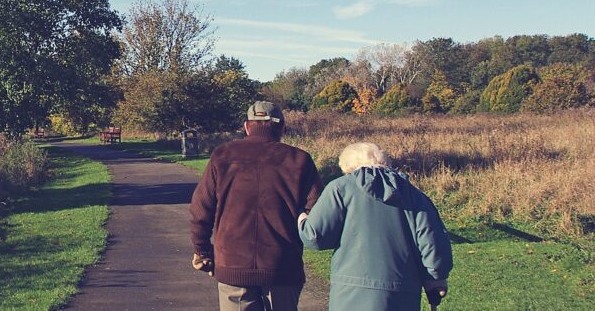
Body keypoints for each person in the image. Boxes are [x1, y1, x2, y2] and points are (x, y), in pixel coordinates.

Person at [189, 101, 323, 311]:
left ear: (247, 126)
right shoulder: (300, 160)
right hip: (282, 265)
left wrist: (202, 251)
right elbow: (316, 211)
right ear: (282, 128)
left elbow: (200, 209)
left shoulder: (222, 156)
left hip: (233, 263)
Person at [298, 142, 453, 311]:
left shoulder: (340, 188)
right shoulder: (414, 195)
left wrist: (301, 218)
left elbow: (315, 237)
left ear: (348, 167)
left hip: (350, 293)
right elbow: (433, 244)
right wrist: (436, 278)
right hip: (402, 293)